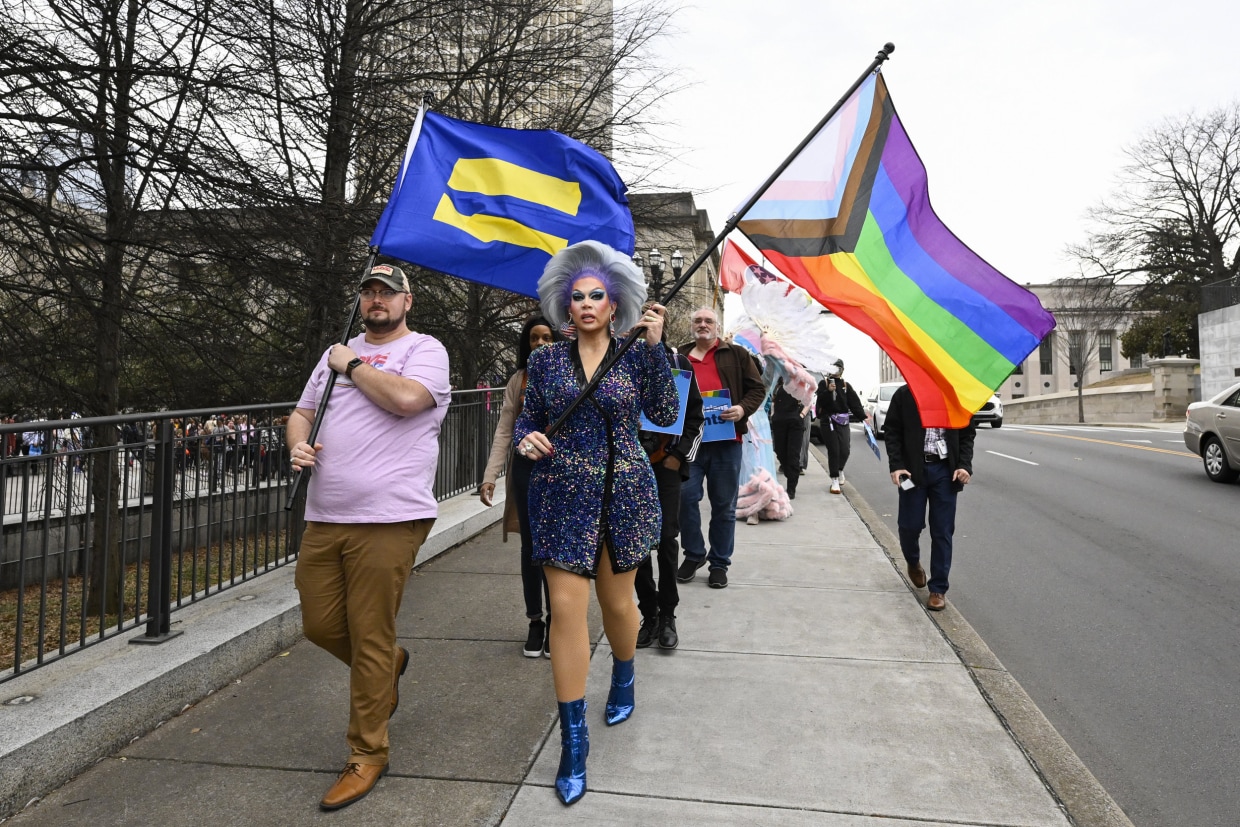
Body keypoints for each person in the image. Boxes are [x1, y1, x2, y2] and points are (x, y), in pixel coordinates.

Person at [514, 241, 678, 805]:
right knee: (565, 609)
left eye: (597, 296)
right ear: (565, 303)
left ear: (615, 305)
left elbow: (662, 413)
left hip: (625, 492)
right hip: (562, 495)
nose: (586, 304)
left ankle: (626, 673)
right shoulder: (545, 359)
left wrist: (657, 350)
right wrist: (526, 440)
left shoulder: (636, 353)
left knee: (618, 606)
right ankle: (574, 741)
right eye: (576, 296)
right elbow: (528, 419)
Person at [286, 263, 451, 811]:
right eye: (368, 292)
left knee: (370, 633)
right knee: (319, 623)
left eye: (387, 292)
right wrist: (298, 444)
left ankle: (367, 753)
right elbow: (302, 412)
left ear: (408, 300)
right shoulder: (335, 352)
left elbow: (406, 400)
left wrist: (352, 364)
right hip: (325, 512)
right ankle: (388, 666)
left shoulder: (425, 349)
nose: (376, 299)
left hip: (389, 517)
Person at [479, 315, 559, 658]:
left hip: (561, 473)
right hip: (526, 471)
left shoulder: (571, 375)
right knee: (531, 549)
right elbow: (505, 428)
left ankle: (560, 621)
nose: (540, 344)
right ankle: (535, 622)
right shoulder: (518, 380)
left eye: (546, 338)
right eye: (534, 339)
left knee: (556, 550)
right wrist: (490, 474)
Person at [674, 307, 765, 589]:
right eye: (698, 320)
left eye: (708, 320)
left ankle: (719, 563)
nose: (703, 324)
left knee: (723, 506)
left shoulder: (737, 355)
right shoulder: (678, 356)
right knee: (685, 499)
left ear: (717, 326)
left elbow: (757, 390)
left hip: (726, 442)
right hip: (690, 442)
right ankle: (694, 553)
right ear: (692, 326)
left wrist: (741, 409)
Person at [635, 335, 703, 651]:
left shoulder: (679, 365)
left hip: (666, 467)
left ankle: (668, 616)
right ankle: (648, 615)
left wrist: (678, 455)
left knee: (665, 541)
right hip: (631, 468)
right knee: (636, 544)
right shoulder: (622, 363)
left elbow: (694, 418)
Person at [883, 383, 976, 612]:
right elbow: (892, 432)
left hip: (945, 471)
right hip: (911, 471)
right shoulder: (905, 394)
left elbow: (966, 434)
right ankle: (913, 562)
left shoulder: (956, 395)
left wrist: (964, 465)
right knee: (909, 526)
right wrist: (896, 465)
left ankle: (938, 589)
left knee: (942, 530)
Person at [815, 358, 865, 495]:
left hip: (843, 420)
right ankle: (834, 480)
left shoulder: (845, 385)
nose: (836, 371)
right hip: (828, 421)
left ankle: (840, 469)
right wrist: (828, 391)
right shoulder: (823, 383)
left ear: (842, 370)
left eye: (839, 368)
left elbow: (854, 403)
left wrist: (863, 418)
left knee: (845, 450)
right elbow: (820, 401)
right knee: (834, 450)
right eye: (834, 368)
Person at [769, 378, 807, 499]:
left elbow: (808, 401)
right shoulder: (778, 384)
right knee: (780, 451)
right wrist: (773, 415)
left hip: (795, 423)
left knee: (793, 455)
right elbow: (773, 401)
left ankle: (791, 488)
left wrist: (801, 415)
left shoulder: (800, 385)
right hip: (779, 422)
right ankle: (789, 473)